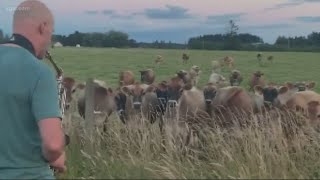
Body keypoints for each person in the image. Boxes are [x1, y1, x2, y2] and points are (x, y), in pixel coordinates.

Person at [0, 0, 66, 179]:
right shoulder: (40, 72)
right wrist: (56, 155)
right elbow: (52, 145)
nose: (50, 41)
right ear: (43, 27)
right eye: (51, 33)